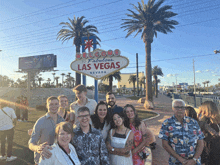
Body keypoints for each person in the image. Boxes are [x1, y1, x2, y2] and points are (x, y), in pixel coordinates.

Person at [159, 99, 204, 165]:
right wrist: (181, 159)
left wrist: (194, 159)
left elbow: (201, 142)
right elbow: (165, 144)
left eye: (182, 107)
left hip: (194, 162)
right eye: (177, 107)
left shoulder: (193, 122)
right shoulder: (167, 123)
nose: (180, 109)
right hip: (176, 162)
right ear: (172, 108)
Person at [28, 96, 65, 165]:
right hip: (43, 160)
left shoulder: (62, 121)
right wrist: (38, 148)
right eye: (51, 104)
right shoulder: (40, 121)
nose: (54, 106)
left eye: (56, 104)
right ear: (47, 106)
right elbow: (31, 143)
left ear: (59, 105)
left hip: (58, 159)